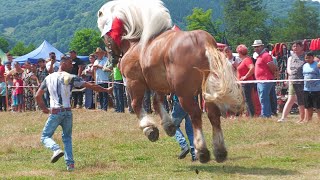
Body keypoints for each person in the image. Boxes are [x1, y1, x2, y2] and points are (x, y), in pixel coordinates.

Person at [35, 56, 112, 171]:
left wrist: (44, 108)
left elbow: (37, 96)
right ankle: (70, 165)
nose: (72, 66)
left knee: (45, 136)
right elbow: (90, 86)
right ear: (63, 63)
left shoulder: (48, 78)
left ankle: (56, 149)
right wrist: (105, 90)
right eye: (70, 63)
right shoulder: (71, 77)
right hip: (67, 111)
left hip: (56, 111)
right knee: (67, 138)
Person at [252, 40, 278, 118]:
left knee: (263, 98)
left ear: (262, 46)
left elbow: (272, 67)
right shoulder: (260, 56)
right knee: (262, 98)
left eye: (257, 47)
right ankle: (266, 113)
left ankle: (266, 114)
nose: (256, 48)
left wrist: (273, 75)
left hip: (265, 80)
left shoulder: (266, 55)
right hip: (260, 81)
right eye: (255, 47)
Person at [170, 94, 196, 161]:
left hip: (180, 102)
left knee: (172, 127)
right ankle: (194, 154)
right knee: (190, 131)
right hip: (192, 102)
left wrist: (170, 96)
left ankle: (184, 145)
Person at [287, 41, 306, 123]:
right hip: (294, 81)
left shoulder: (306, 56)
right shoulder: (291, 57)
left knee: (305, 100)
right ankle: (301, 118)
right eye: (294, 46)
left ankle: (306, 118)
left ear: (302, 47)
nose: (295, 48)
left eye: (297, 46)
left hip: (304, 81)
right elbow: (288, 69)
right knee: (299, 100)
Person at [236, 44, 255, 117]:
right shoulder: (243, 60)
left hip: (247, 83)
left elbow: (252, 68)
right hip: (243, 83)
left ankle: (251, 115)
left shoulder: (247, 60)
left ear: (240, 52)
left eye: (238, 52)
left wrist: (245, 77)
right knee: (244, 99)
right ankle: (245, 114)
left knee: (247, 99)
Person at [301, 52, 320, 122]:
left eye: (309, 58)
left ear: (313, 57)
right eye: (306, 58)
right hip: (306, 89)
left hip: (317, 89)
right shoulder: (304, 65)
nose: (307, 59)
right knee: (308, 106)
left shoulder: (317, 65)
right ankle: (308, 120)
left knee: (318, 106)